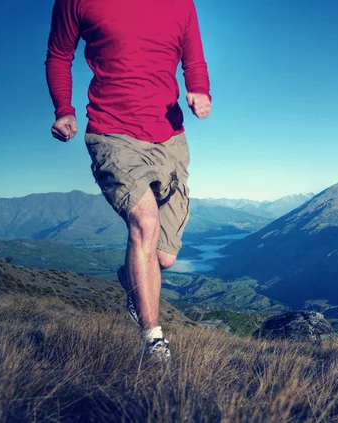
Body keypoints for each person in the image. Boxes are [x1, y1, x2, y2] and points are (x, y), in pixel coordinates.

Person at [45, 0, 211, 362]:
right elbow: (59, 55)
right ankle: (154, 342)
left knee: (163, 257)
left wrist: (200, 89)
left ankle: (131, 277)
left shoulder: (181, 4)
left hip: (170, 137)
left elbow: (193, 59)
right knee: (144, 223)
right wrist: (64, 110)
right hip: (112, 133)